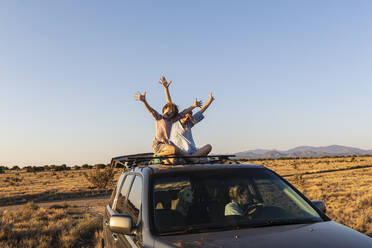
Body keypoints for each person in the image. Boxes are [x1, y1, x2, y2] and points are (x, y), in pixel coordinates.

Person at [134, 76, 202, 163]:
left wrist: (193, 106)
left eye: (171, 113)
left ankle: (159, 161)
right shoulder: (159, 118)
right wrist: (144, 101)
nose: (168, 113)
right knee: (175, 150)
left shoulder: (173, 120)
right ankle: (158, 155)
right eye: (167, 111)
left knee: (174, 160)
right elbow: (151, 109)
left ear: (173, 115)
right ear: (164, 110)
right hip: (158, 144)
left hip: (167, 145)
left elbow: (184, 112)